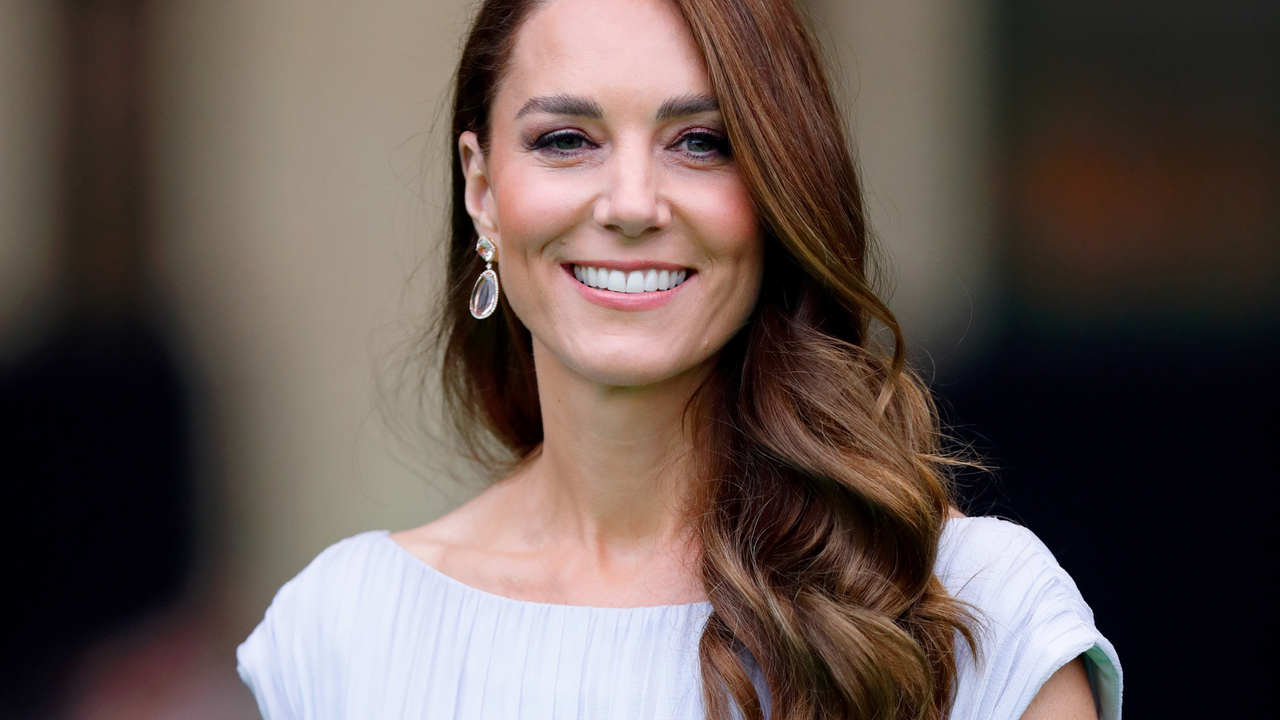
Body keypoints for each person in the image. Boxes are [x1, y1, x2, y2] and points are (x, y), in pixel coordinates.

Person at [236, 0, 1122, 718]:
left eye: (700, 142)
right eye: (566, 141)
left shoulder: (972, 615)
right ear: (481, 189)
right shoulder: (342, 632)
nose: (630, 204)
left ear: (778, 187)